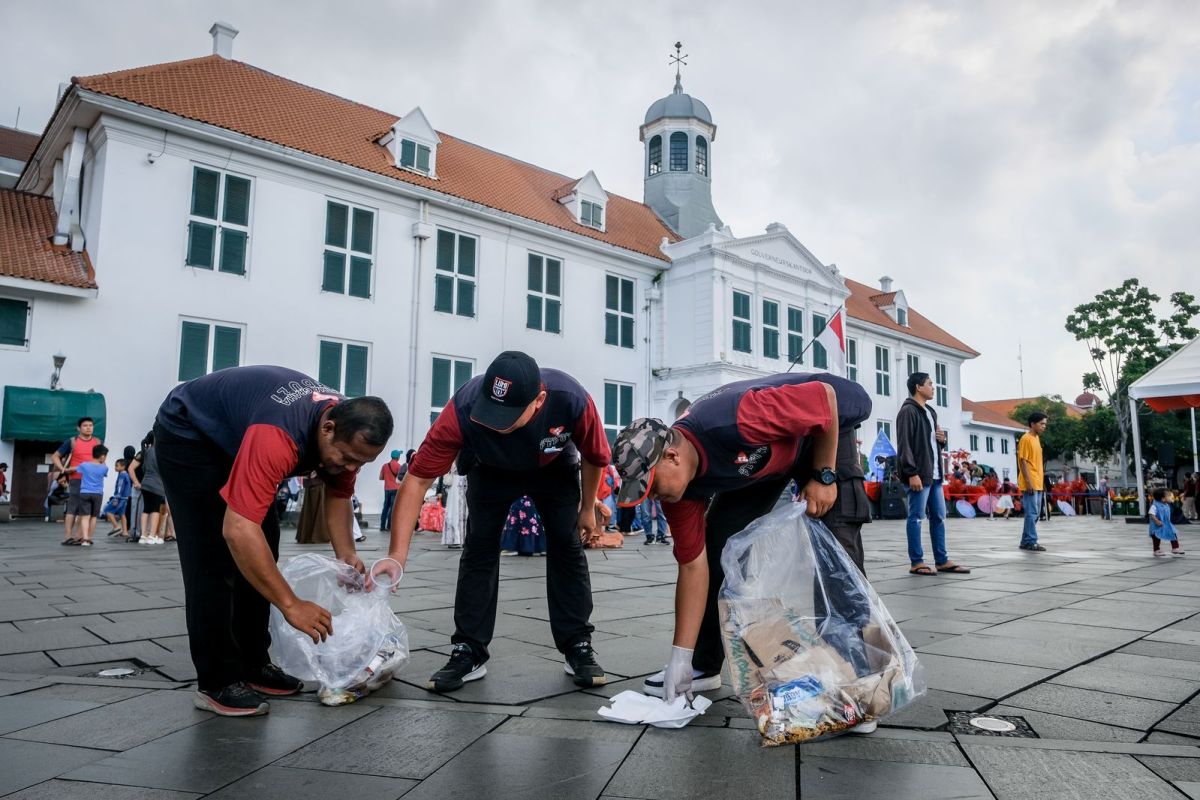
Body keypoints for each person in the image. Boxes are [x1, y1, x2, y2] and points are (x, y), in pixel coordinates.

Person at [612, 372, 873, 727]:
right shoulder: (679, 491)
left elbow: (823, 398)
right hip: (767, 456)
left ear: (672, 456)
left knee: (836, 548)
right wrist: (680, 657)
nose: (653, 499)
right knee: (719, 545)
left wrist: (825, 475)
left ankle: (854, 686)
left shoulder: (735, 418)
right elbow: (692, 567)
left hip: (825, 424)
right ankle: (702, 664)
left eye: (651, 487)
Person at [153, 365, 392, 717]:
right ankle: (217, 680)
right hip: (191, 434)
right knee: (213, 558)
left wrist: (347, 555)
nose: (348, 467)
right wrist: (291, 604)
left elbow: (339, 496)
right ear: (327, 428)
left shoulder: (346, 430)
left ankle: (252, 663)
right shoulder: (278, 436)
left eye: (361, 463)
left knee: (266, 541)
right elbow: (237, 530)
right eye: (345, 457)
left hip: (241, 434)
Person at [378, 351, 610, 692]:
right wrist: (397, 554)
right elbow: (416, 480)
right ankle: (468, 649)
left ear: (539, 400)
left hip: (553, 468)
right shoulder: (463, 407)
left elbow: (595, 456)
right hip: (490, 469)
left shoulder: (571, 399)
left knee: (567, 546)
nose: (498, 422)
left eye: (509, 415)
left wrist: (588, 508)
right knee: (479, 549)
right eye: (493, 412)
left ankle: (577, 644)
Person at [896, 372, 969, 576]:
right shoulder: (908, 412)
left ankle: (942, 560)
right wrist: (911, 473)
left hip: (934, 474)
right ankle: (917, 561)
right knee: (917, 517)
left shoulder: (930, 411)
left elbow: (929, 443)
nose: (933, 387)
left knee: (938, 516)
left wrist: (941, 440)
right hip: (919, 474)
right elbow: (904, 445)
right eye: (930, 384)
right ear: (918, 387)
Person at [53, 417, 103, 546]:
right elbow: (55, 456)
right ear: (78, 428)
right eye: (85, 425)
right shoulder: (72, 441)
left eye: (91, 425)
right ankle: (68, 536)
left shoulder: (98, 442)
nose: (88, 427)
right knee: (72, 508)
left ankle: (80, 536)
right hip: (76, 479)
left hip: (92, 481)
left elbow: (102, 460)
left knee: (85, 511)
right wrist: (62, 468)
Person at [1018, 412, 1048, 551]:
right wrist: (1028, 482)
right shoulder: (1026, 439)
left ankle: (1026, 541)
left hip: (1038, 481)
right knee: (1032, 513)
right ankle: (1030, 541)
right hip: (1030, 482)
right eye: (1041, 424)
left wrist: (1042, 483)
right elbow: (1023, 461)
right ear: (1032, 424)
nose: (1044, 427)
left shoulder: (1036, 439)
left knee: (1034, 513)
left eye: (1045, 424)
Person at [69, 444, 109, 547]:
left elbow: (75, 469)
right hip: (98, 494)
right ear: (102, 456)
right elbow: (104, 470)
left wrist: (65, 469)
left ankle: (85, 538)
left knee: (85, 517)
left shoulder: (84, 465)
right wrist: (102, 461)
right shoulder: (104, 468)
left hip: (85, 493)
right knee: (94, 517)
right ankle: (89, 538)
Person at [1149, 488, 1185, 557]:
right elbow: (1151, 514)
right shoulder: (1155, 505)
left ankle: (1175, 548)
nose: (1171, 497)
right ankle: (1156, 550)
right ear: (1163, 499)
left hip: (1167, 524)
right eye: (1169, 496)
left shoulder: (1166, 504)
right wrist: (1156, 521)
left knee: (1173, 533)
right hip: (1158, 525)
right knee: (1156, 537)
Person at [104, 459, 133, 536]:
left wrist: (116, 498)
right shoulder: (126, 474)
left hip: (120, 498)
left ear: (123, 466)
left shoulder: (122, 475)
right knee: (122, 514)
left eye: (117, 466)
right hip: (125, 498)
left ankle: (116, 527)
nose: (115, 467)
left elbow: (120, 487)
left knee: (107, 510)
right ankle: (125, 531)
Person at [442, 462, 467, 548]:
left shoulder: (453, 458)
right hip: (460, 484)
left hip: (457, 485)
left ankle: (457, 539)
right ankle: (460, 539)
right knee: (459, 511)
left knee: (456, 511)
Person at [379, 450, 402, 532]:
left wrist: (388, 478)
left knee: (385, 508)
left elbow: (381, 477)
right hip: (395, 489)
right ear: (398, 457)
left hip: (387, 489)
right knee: (392, 508)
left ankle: (382, 527)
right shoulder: (399, 466)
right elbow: (401, 479)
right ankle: (389, 526)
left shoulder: (385, 466)